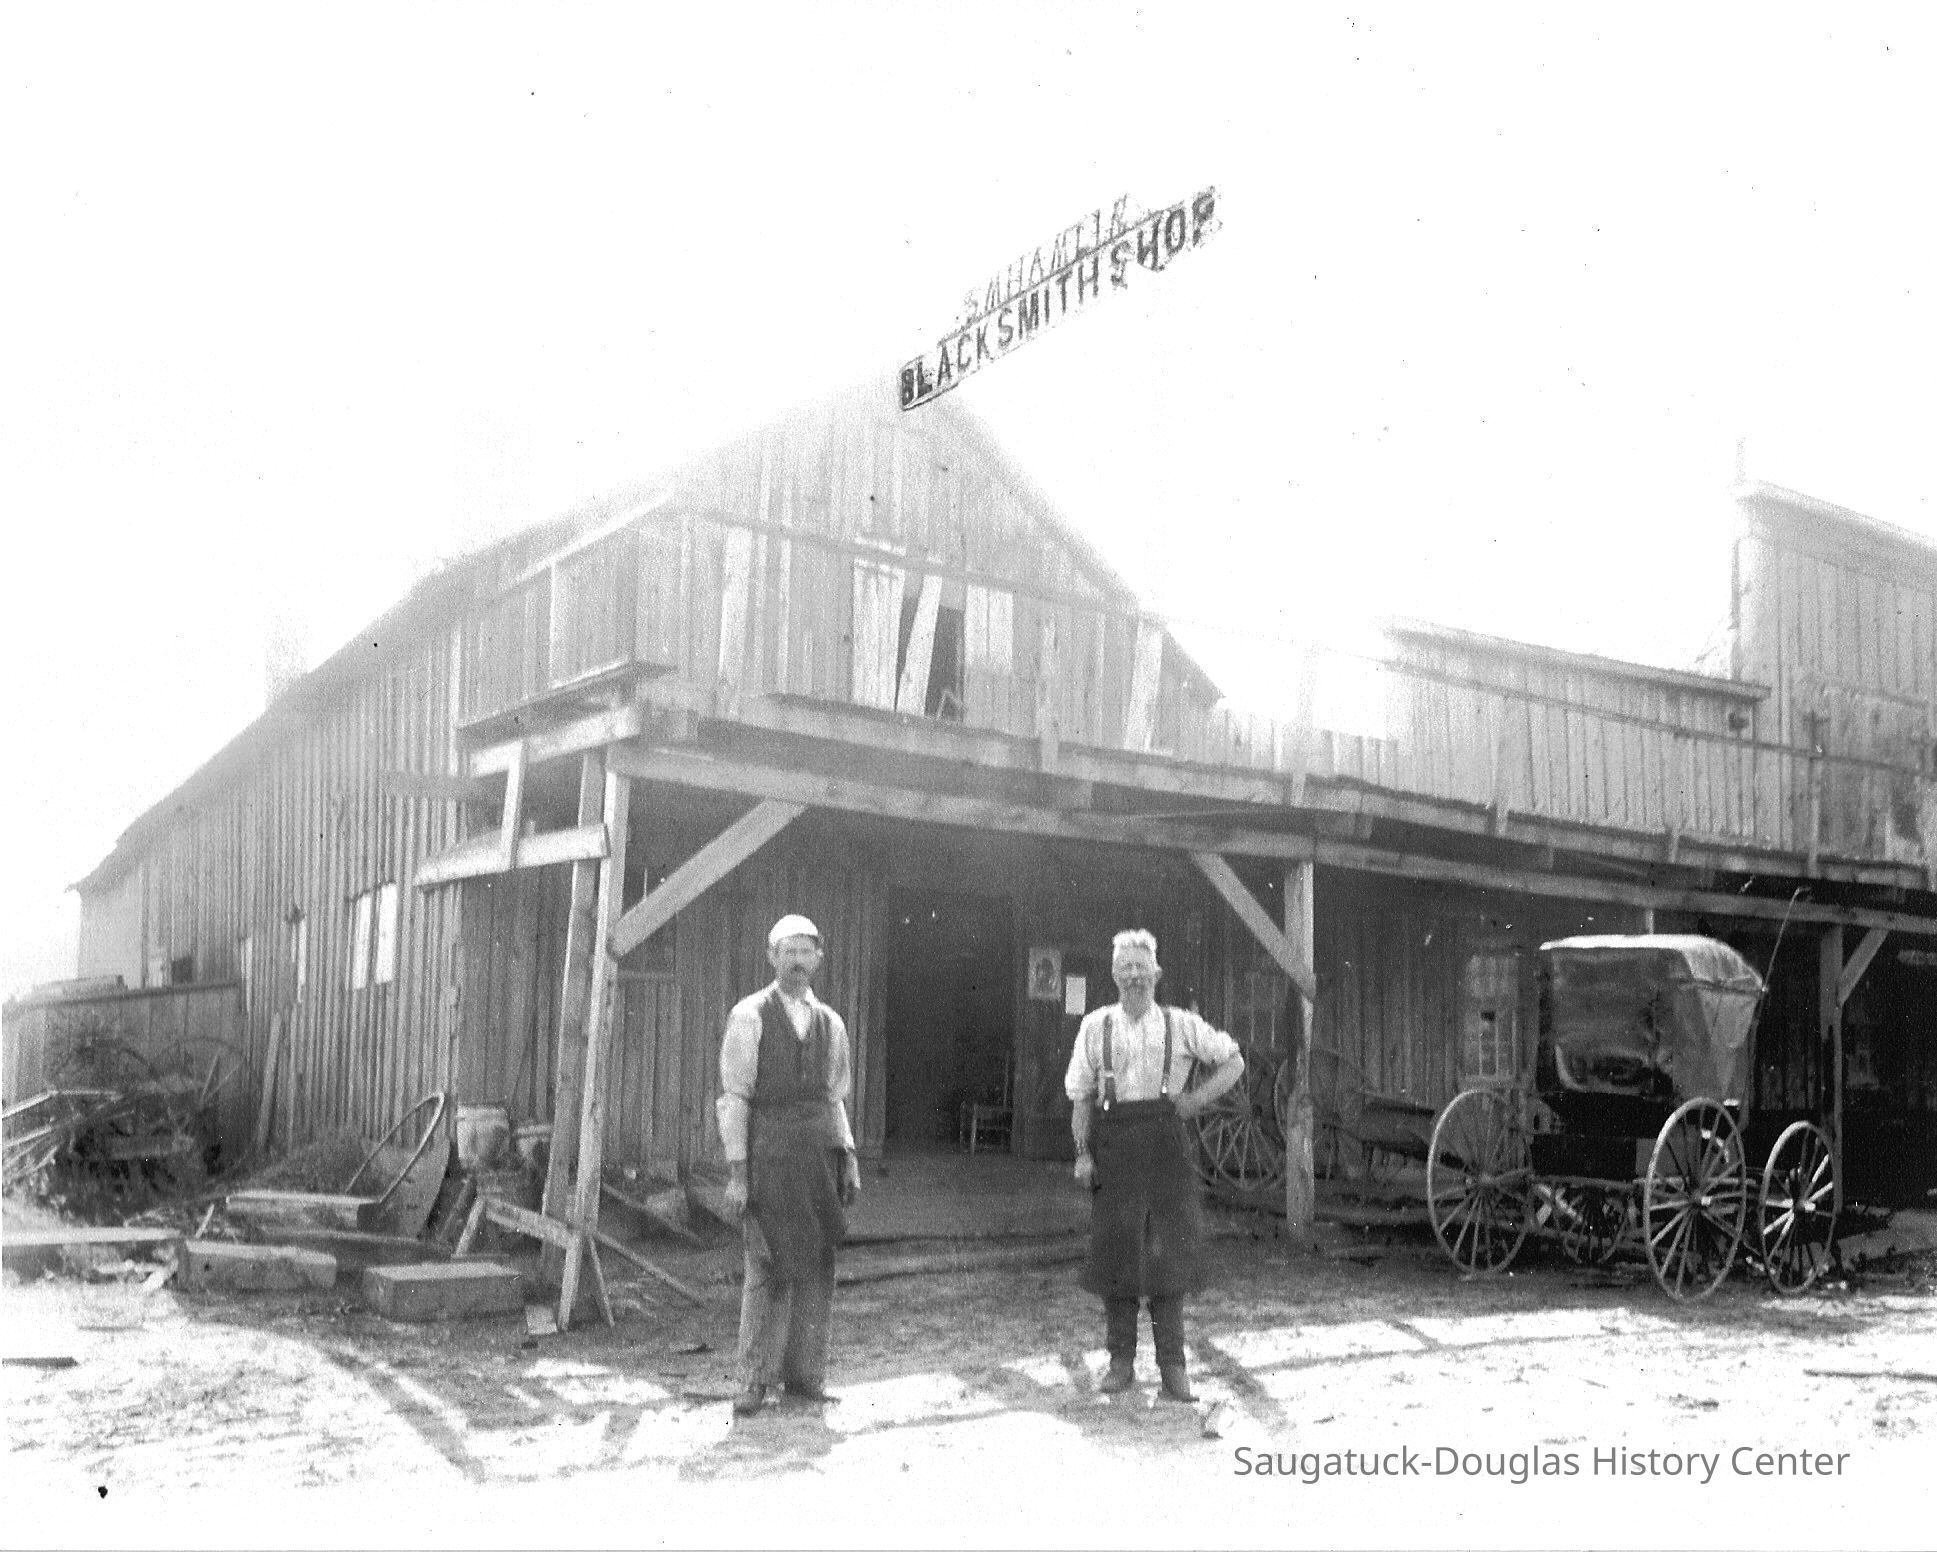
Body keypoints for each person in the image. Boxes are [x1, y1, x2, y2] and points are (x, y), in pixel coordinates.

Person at [1064, 928, 1245, 1402]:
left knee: (1169, 1259)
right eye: (1125, 967)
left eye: (1141, 968)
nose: (1134, 976)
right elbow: (1080, 1097)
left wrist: (1196, 1100)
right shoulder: (1095, 1026)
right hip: (1114, 1148)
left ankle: (1173, 1368)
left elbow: (1233, 1062)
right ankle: (1121, 1362)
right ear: (1113, 974)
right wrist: (1082, 1153)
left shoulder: (1181, 1024)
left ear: (1157, 973)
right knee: (1117, 1256)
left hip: (1166, 1148)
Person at [717, 913, 863, 1418]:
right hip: (771, 1159)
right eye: (788, 952)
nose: (797, 961)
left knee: (818, 1266)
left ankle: (805, 1377)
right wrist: (739, 1173)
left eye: (806, 952)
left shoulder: (831, 1023)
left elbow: (835, 1098)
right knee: (767, 1266)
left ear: (818, 959)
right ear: (771, 957)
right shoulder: (749, 1015)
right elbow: (735, 1098)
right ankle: (752, 1381)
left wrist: (848, 1157)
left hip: (819, 1160)